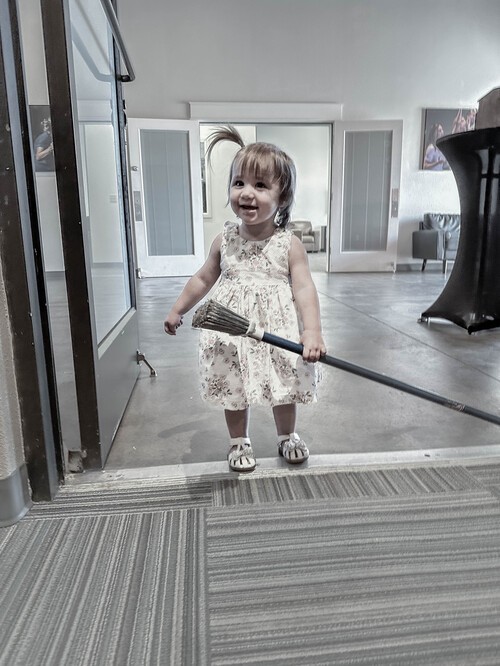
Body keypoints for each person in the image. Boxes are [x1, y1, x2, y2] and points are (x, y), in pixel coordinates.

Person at [164, 126, 326, 473]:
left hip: (276, 331)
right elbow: (203, 277)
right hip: (231, 331)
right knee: (233, 384)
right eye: (239, 183)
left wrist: (312, 331)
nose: (247, 193)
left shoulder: (289, 245)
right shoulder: (224, 240)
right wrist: (179, 309)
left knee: (284, 381)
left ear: (283, 197)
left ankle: (287, 435)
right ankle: (238, 440)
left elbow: (304, 289)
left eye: (260, 185)